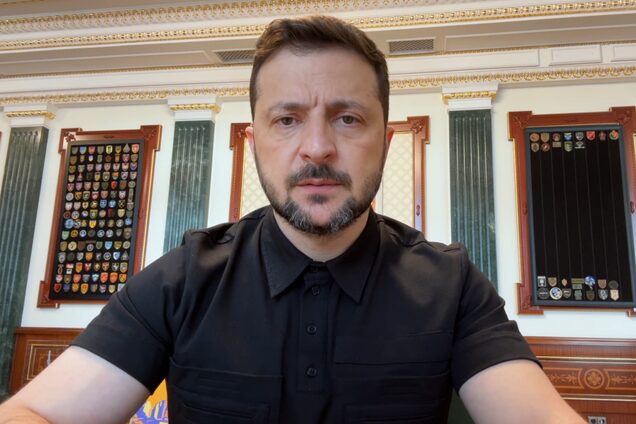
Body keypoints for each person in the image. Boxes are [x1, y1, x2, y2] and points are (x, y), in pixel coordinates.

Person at [0, 15, 584, 424]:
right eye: (287, 120)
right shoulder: (181, 280)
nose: (317, 147)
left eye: (348, 118)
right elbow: (35, 412)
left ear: (385, 142)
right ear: (254, 142)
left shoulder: (452, 286)